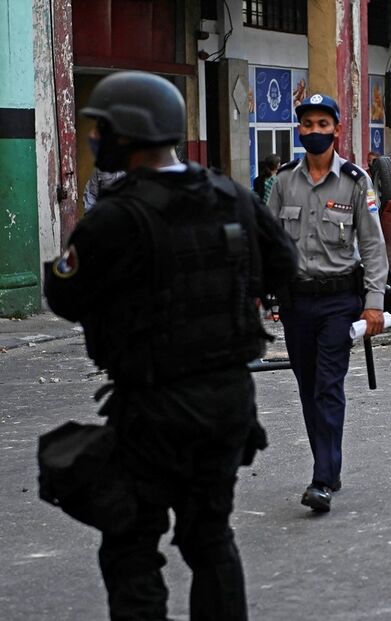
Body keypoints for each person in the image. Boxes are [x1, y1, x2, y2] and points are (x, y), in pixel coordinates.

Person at [43, 72, 298, 620]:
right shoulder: (231, 195)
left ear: (125, 135)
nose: (95, 139)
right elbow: (285, 267)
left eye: (101, 130)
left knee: (132, 547)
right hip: (228, 399)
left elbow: (64, 296)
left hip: (154, 407)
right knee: (211, 541)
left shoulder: (114, 216)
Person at [267, 93, 389, 513]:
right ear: (298, 130)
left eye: (323, 125)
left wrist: (373, 304)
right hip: (297, 302)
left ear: (337, 130)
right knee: (307, 387)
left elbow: (373, 247)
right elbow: (271, 244)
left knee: (327, 385)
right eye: (307, 125)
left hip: (340, 300)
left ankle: (321, 478)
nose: (315, 132)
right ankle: (330, 467)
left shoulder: (356, 182)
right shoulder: (283, 181)